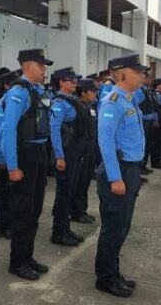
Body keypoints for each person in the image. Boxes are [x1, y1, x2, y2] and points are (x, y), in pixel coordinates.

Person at [94, 54, 148, 298]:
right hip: (120, 171)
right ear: (122, 73)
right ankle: (105, 279)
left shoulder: (128, 99)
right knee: (113, 228)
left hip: (132, 170)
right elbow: (105, 142)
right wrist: (115, 178)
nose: (143, 75)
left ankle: (113, 273)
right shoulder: (112, 101)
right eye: (138, 71)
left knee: (122, 226)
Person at [0, 49, 53, 281]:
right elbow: (8, 129)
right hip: (25, 155)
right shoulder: (18, 93)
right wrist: (12, 166)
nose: (44, 69)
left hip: (39, 154)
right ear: (27, 66)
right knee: (23, 211)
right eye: (41, 65)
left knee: (35, 209)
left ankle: (27, 256)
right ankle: (17, 261)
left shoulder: (36, 91)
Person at [48, 67, 91, 247]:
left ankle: (65, 228)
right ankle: (58, 232)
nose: (74, 83)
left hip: (76, 152)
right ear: (61, 82)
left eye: (75, 81)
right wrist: (59, 156)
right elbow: (54, 130)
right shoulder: (59, 102)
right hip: (67, 152)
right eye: (70, 80)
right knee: (64, 192)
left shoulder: (73, 99)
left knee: (71, 190)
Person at [0, 69, 20, 239]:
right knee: (4, 193)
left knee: (13, 194)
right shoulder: (1, 104)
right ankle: (4, 226)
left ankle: (12, 223)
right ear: (7, 85)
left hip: (13, 154)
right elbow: (0, 134)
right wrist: (2, 158)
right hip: (3, 156)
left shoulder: (13, 102)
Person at [70, 78, 98, 224]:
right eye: (92, 91)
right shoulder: (76, 106)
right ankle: (76, 211)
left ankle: (82, 209)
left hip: (90, 145)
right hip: (81, 146)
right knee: (80, 180)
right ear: (83, 92)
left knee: (86, 179)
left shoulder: (89, 105)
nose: (94, 93)